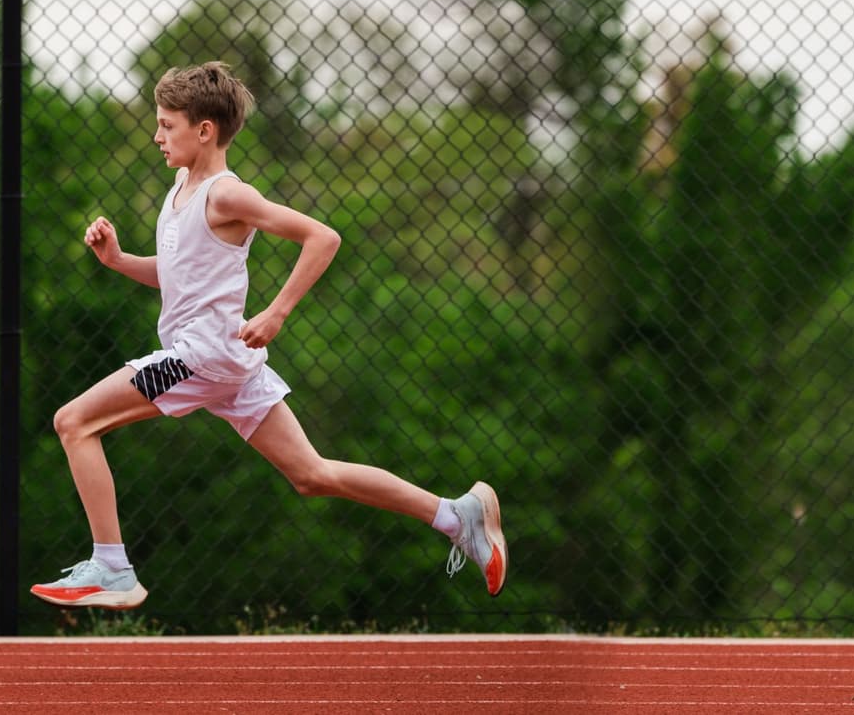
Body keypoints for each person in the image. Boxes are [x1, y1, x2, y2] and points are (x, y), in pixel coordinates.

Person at [30, 61, 507, 610]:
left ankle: (113, 567)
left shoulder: (227, 196)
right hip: (227, 363)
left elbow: (322, 238)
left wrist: (277, 313)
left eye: (166, 125)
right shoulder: (182, 187)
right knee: (311, 474)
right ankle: (455, 516)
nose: (157, 136)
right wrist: (118, 261)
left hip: (200, 359)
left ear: (203, 130)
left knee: (74, 421)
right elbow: (180, 273)